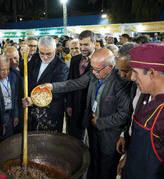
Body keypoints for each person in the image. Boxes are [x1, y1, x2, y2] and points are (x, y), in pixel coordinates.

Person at [38, 48, 132, 179]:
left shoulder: (121, 82)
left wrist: (100, 122)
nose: (93, 72)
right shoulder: (95, 72)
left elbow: (124, 114)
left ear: (110, 67)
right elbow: (75, 83)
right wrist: (53, 87)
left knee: (106, 168)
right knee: (93, 162)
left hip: (110, 134)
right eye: (92, 68)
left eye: (97, 70)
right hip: (92, 127)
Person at [119, 43, 164, 178]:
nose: (132, 78)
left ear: (152, 73)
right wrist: (128, 158)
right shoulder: (145, 95)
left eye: (135, 72)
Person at [28, 36, 68, 132]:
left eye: (49, 54)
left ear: (55, 50)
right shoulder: (35, 57)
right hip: (32, 111)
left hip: (50, 113)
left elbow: (58, 92)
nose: (45, 57)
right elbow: (25, 74)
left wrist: (34, 100)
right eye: (42, 53)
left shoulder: (62, 67)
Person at [66, 30, 95, 141]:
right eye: (81, 45)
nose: (82, 48)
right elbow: (70, 82)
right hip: (75, 106)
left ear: (94, 43)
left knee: (92, 142)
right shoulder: (74, 60)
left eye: (86, 45)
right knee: (75, 139)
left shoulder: (100, 59)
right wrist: (69, 104)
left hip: (92, 108)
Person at [0, 56, 21, 138]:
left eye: (8, 69)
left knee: (9, 138)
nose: (6, 72)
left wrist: (16, 115)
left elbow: (15, 97)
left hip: (10, 114)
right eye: (3, 69)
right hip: (0, 116)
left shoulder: (12, 77)